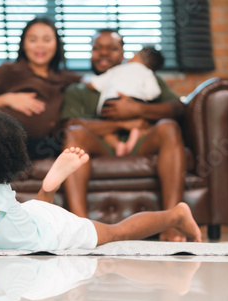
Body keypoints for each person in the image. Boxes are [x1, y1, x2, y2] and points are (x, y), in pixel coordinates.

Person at [0, 105, 202, 251]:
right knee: (34, 214)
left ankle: (176, 214)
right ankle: (48, 190)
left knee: (115, 233)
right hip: (23, 218)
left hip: (49, 233)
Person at [60, 29, 188, 242]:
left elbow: (177, 108)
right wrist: (123, 122)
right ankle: (81, 230)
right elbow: (70, 124)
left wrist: (138, 110)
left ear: (123, 54)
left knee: (169, 127)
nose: (103, 53)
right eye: (97, 48)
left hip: (143, 142)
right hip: (99, 146)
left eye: (111, 48)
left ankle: (171, 223)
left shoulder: (143, 76)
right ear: (90, 52)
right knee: (75, 133)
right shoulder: (79, 89)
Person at [0, 17, 81, 160]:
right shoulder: (8, 71)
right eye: (33, 40)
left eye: (46, 40)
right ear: (23, 44)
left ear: (56, 44)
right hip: (0, 136)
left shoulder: (66, 78)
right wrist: (7, 99)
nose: (40, 46)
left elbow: (91, 83)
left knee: (49, 146)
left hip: (42, 143)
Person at [86, 46, 165, 156]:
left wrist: (83, 81)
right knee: (138, 125)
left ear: (137, 55)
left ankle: (117, 145)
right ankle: (133, 139)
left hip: (110, 104)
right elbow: (154, 92)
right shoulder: (147, 73)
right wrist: (141, 97)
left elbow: (94, 84)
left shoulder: (117, 69)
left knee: (107, 129)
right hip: (134, 102)